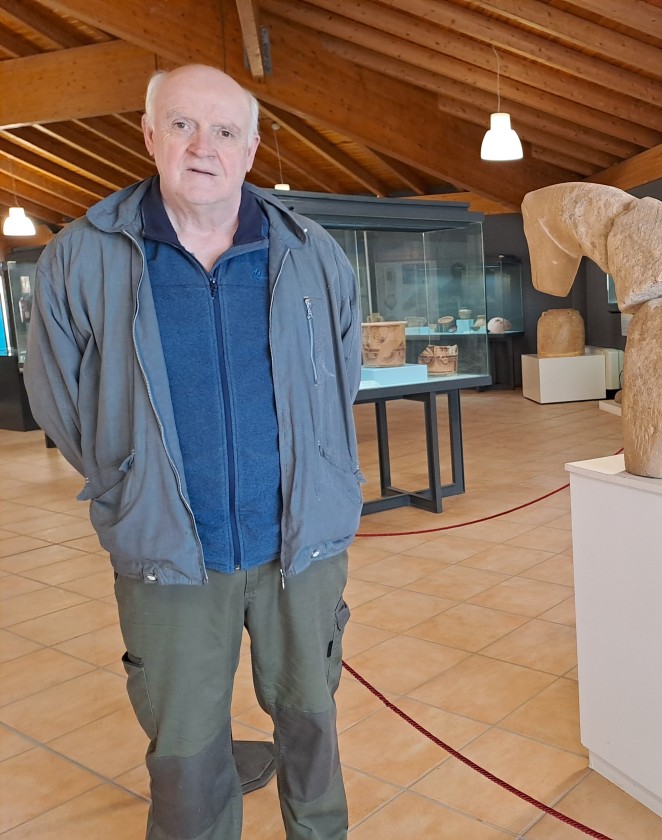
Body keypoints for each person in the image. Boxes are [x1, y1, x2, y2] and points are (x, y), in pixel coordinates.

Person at [24, 64, 363, 840]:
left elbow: (337, 381)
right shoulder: (85, 257)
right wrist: (131, 476)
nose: (202, 146)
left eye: (224, 130)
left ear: (250, 150)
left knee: (311, 724)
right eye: (182, 124)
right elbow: (60, 398)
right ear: (150, 136)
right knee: (184, 751)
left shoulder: (313, 253)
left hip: (298, 547)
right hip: (168, 553)